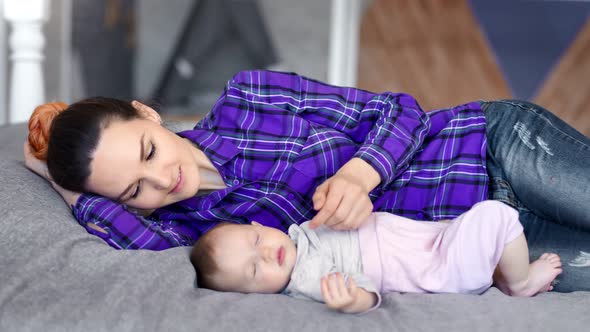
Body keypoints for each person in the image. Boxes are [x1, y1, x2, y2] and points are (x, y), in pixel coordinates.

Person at [24, 70, 589, 291]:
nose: (160, 180)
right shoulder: (192, 236)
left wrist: (358, 172)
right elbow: (121, 232)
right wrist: (56, 172)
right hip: (484, 246)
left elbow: (400, 109)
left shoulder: (249, 96)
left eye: (147, 151)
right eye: (133, 190)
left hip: (492, 147)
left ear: (147, 113)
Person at [190, 201, 563, 314]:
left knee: (481, 226)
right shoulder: (305, 277)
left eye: (256, 238)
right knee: (497, 216)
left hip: (433, 241)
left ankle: (497, 271)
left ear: (258, 223)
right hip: (437, 270)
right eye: (256, 269)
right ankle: (518, 284)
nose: (268, 253)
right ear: (252, 294)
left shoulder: (297, 235)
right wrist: (356, 299)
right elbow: (362, 288)